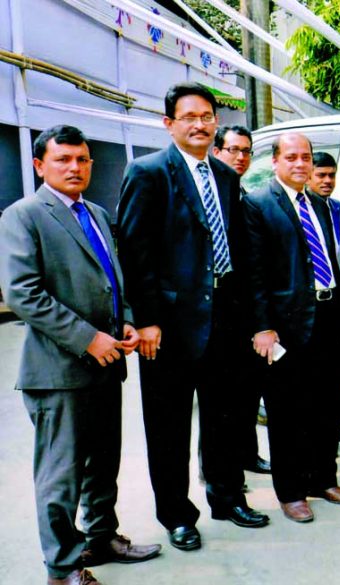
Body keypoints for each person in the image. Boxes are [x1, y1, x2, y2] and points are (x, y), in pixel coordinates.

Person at [0, 125, 161, 585]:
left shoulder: (95, 213)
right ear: (39, 166)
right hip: (58, 371)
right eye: (63, 159)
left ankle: (101, 537)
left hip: (107, 366)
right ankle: (62, 566)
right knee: (61, 476)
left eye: (82, 159)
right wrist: (89, 337)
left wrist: (126, 319)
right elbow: (23, 294)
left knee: (102, 465)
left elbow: (114, 280)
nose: (75, 167)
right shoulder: (24, 216)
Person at [117, 82, 269, 553]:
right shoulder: (148, 173)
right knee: (169, 426)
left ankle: (227, 498)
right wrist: (146, 320)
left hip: (224, 317)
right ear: (169, 124)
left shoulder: (224, 177)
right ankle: (177, 516)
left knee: (225, 418)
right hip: (169, 326)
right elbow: (134, 251)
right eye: (190, 117)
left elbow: (237, 250)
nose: (200, 124)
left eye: (207, 116)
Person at [242, 132, 340, 524]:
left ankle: (323, 478)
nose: (300, 164)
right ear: (275, 162)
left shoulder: (322, 206)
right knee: (287, 413)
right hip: (285, 326)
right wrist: (263, 327)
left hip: (328, 317)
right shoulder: (259, 205)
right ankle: (290, 492)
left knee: (327, 406)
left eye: (305, 157)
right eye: (290, 157)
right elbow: (254, 274)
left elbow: (333, 260)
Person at [211, 125, 271, 477]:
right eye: (233, 150)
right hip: (218, 313)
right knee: (220, 400)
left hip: (248, 313)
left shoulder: (244, 193)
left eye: (246, 151)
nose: (240, 157)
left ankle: (247, 454)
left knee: (249, 391)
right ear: (217, 152)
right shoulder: (211, 194)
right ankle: (215, 467)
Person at [306, 150, 340, 444]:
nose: (327, 181)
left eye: (331, 175)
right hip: (311, 305)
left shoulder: (337, 208)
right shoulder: (302, 212)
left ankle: (334, 426)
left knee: (336, 376)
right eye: (320, 175)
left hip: (338, 300)